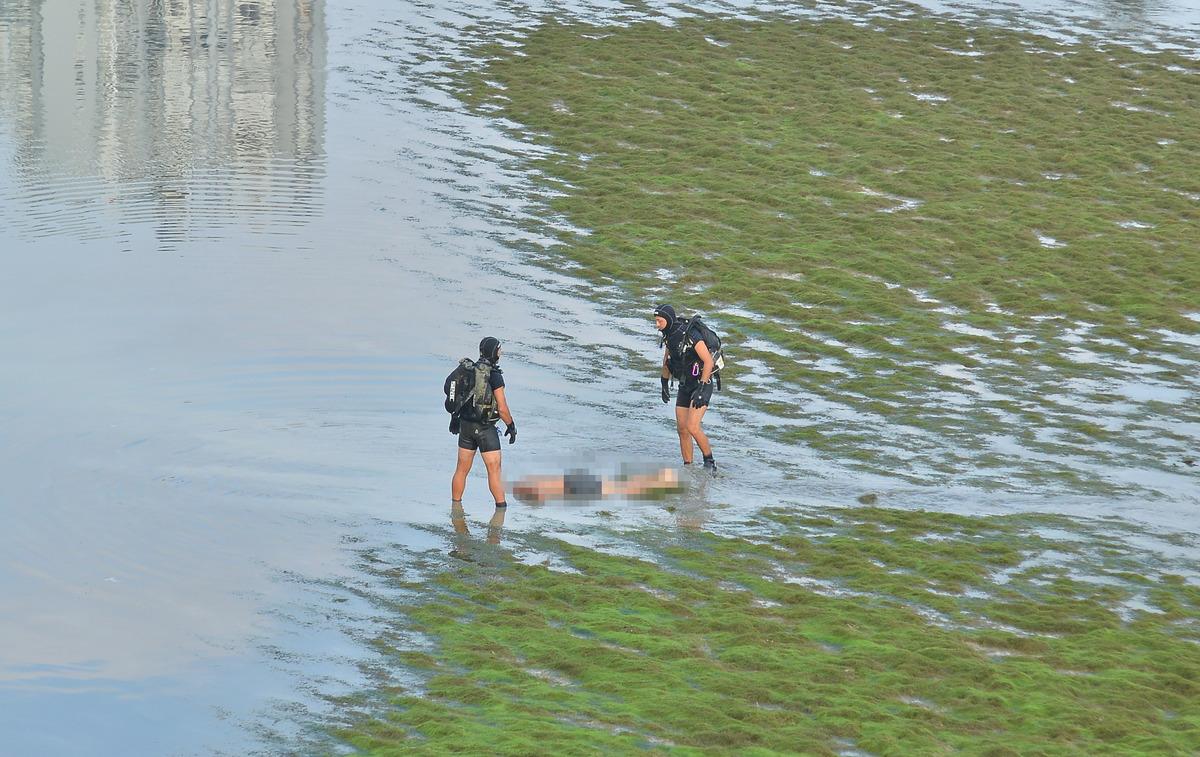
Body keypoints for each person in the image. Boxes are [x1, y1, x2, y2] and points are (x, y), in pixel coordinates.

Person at [450, 337, 516, 513]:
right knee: (494, 471)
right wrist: (511, 426)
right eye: (499, 350)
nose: (500, 353)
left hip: (465, 426)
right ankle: (501, 512)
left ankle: (455, 509)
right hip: (485, 429)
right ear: (494, 352)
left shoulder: (468, 369)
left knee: (461, 470)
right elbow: (502, 408)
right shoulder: (494, 375)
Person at [654, 304, 717, 473]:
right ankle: (688, 467)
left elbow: (709, 362)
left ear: (667, 319)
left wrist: (702, 388)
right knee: (682, 428)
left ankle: (709, 462)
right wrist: (664, 384)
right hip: (684, 384)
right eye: (656, 321)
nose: (657, 324)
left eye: (659, 321)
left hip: (701, 383)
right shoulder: (668, 336)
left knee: (692, 426)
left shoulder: (689, 335)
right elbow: (667, 362)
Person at [513, 466, 681, 504]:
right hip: (575, 482)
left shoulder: (543, 490)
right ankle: (660, 478)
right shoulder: (543, 484)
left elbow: (543, 494)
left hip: (577, 487)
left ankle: (662, 480)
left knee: (623, 488)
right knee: (622, 485)